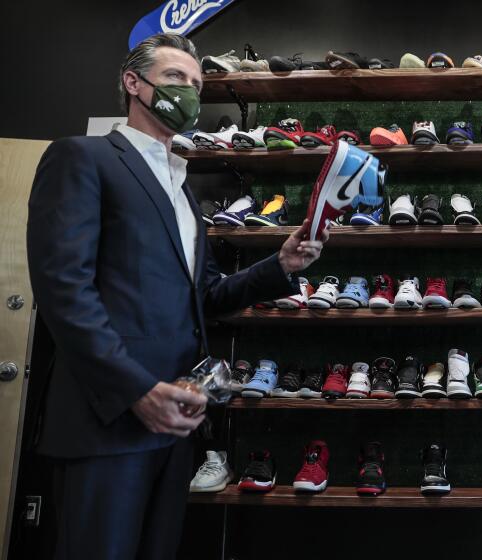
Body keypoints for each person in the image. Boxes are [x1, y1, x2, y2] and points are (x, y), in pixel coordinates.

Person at [26, 33, 325, 559]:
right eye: (175, 79)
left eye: (197, 83)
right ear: (132, 83)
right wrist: (137, 390)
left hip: (177, 423)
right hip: (108, 422)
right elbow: (63, 291)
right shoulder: (82, 157)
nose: (188, 91)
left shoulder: (183, 188)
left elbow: (204, 296)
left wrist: (279, 266)